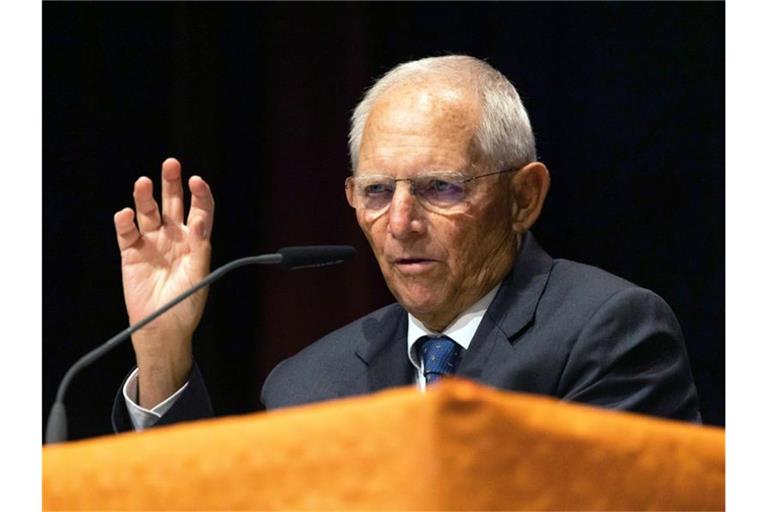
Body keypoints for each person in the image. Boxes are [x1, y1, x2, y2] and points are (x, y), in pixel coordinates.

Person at [111, 55, 701, 432]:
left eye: (439, 188)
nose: (399, 223)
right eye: (375, 192)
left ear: (524, 196)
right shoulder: (309, 385)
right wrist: (163, 355)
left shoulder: (608, 333)